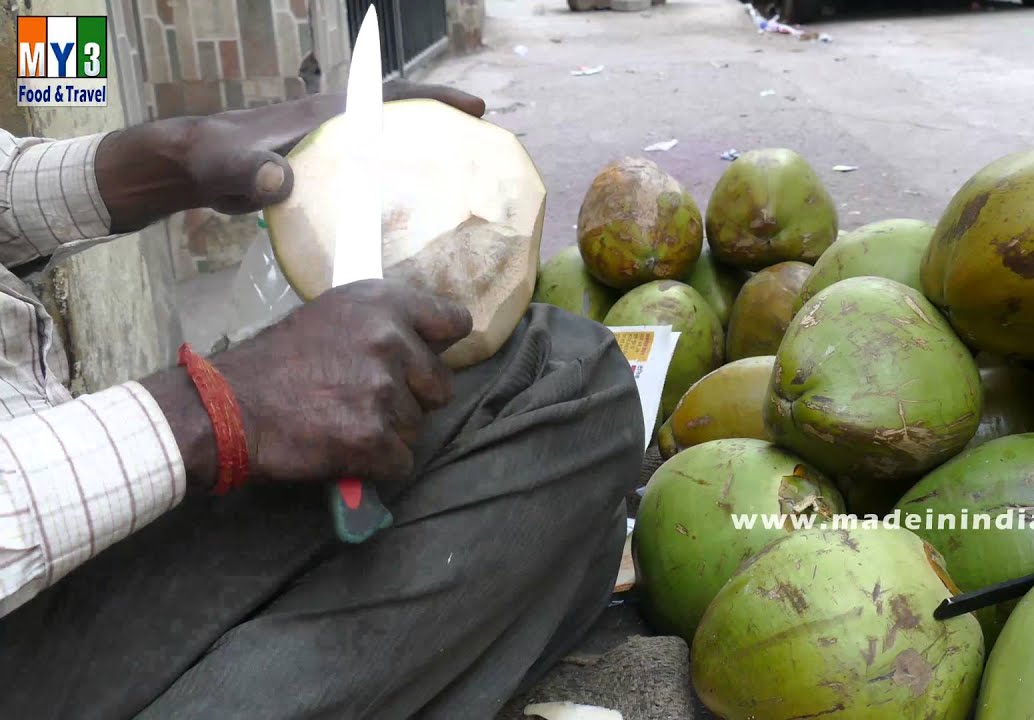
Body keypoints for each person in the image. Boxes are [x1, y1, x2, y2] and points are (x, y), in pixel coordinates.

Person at [0, 81, 644, 719]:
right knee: (570, 397)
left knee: (554, 408)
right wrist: (216, 408)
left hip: (54, 515)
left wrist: (177, 154)